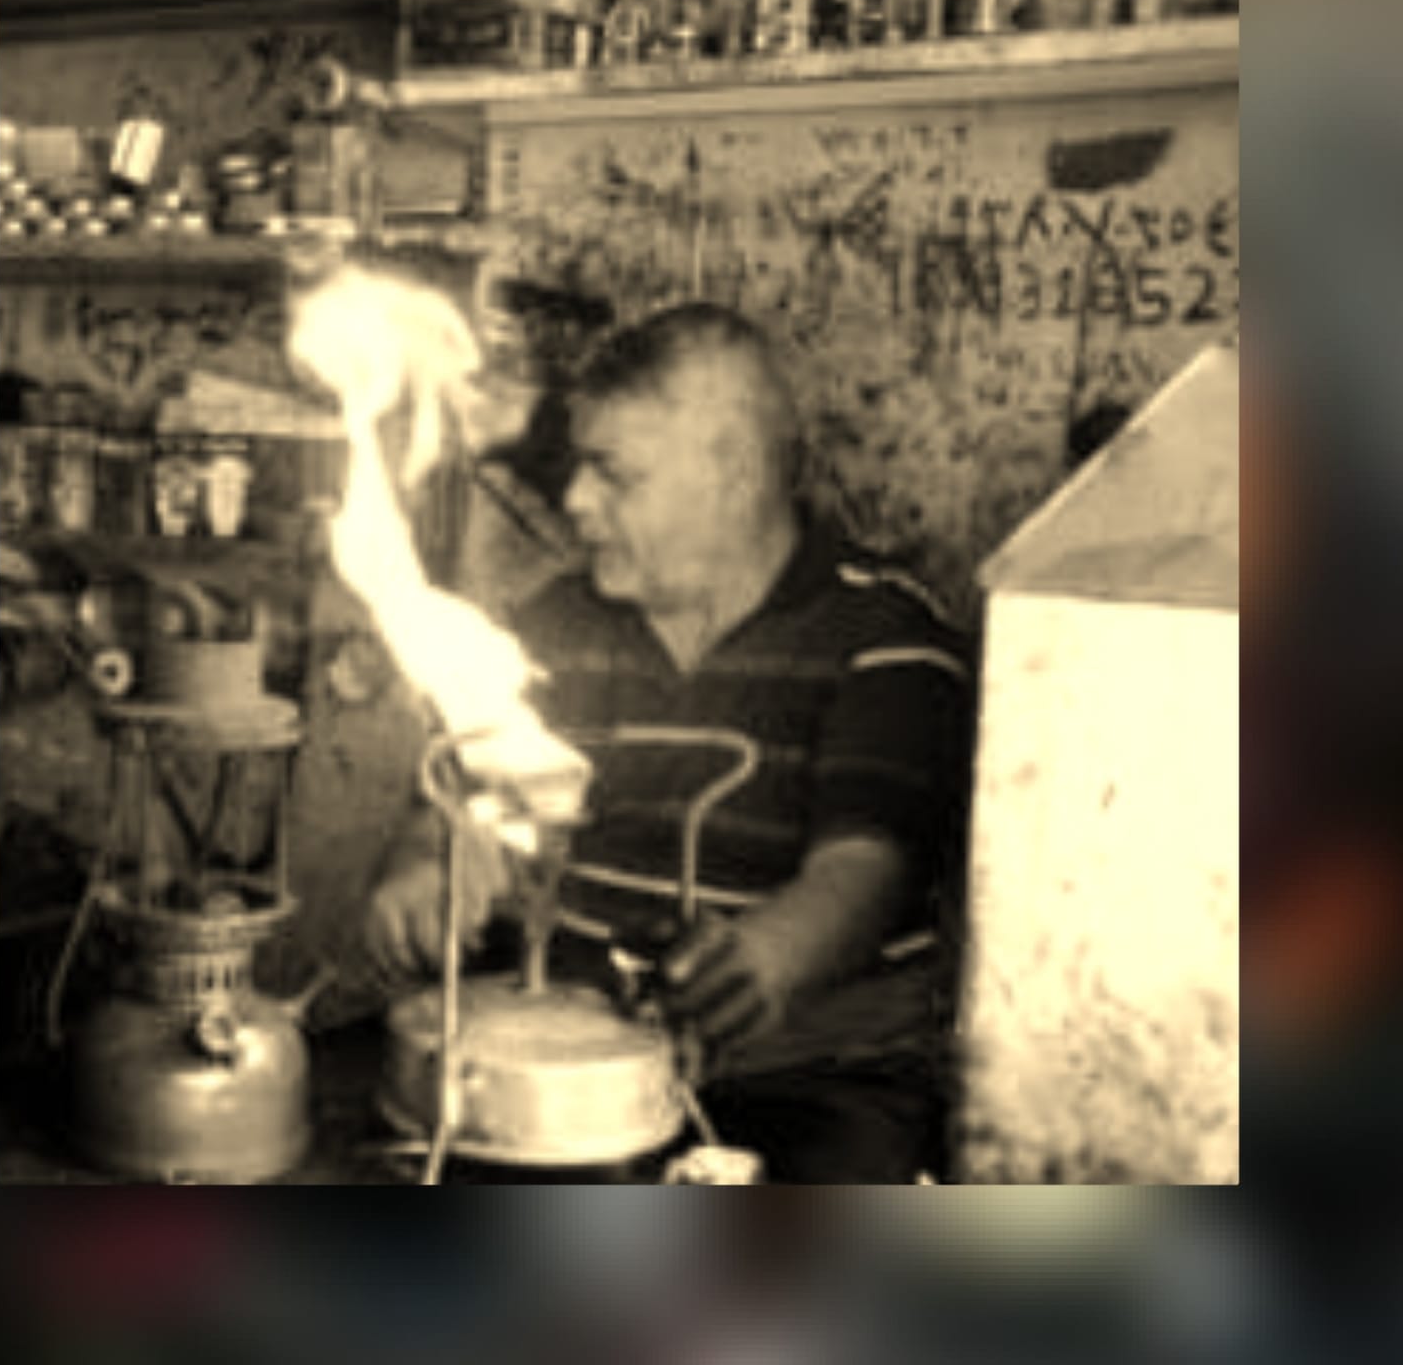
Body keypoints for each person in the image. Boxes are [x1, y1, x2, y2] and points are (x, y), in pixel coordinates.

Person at [364, 303, 972, 1182]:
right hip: (570, 1081)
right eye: (578, 467)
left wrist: (770, 957)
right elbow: (454, 801)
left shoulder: (883, 638)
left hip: (803, 1078)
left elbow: (863, 872)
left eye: (614, 474)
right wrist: (427, 866)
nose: (576, 500)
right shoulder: (552, 628)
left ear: (732, 473)